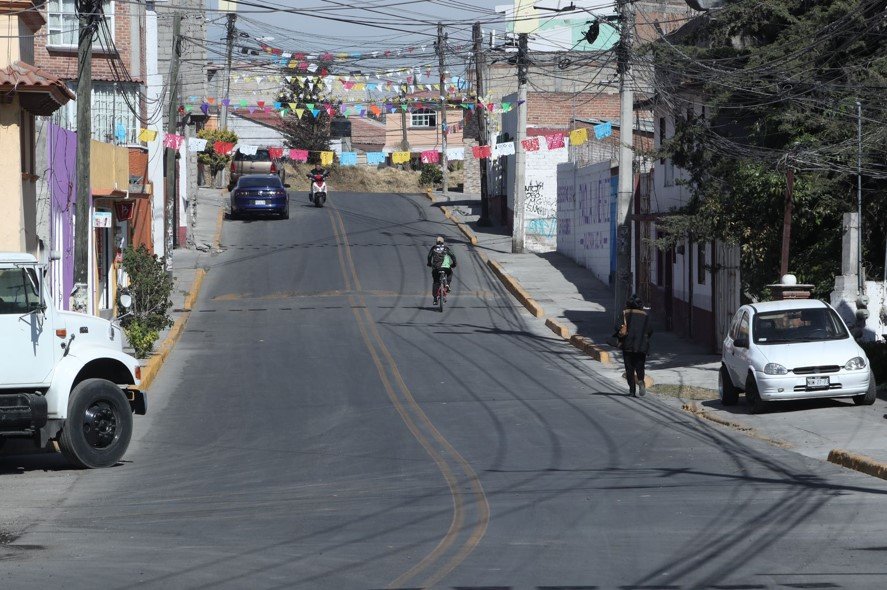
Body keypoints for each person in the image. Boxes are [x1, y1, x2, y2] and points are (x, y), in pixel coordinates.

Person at [615, 293, 653, 397]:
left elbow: (617, 327)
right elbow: (650, 330)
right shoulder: (645, 315)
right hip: (641, 345)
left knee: (629, 368)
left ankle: (632, 390)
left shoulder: (624, 313)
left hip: (627, 345)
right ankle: (640, 380)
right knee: (640, 366)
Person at [427, 236, 456, 305]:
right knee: (450, 273)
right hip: (445, 267)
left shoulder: (433, 248)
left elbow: (429, 256)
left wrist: (429, 263)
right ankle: (447, 285)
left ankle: (434, 299)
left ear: (436, 242)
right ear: (443, 242)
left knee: (436, 282)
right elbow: (452, 256)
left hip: (436, 268)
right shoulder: (446, 248)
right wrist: (454, 264)